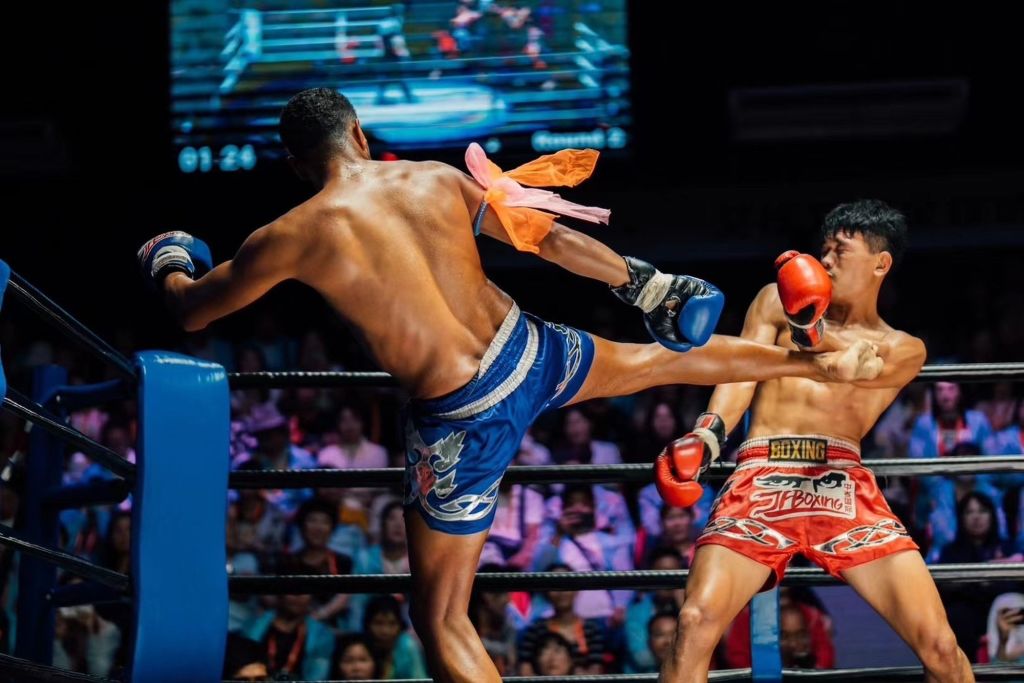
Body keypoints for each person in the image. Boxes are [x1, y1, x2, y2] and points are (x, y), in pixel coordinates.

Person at [139, 88, 882, 682]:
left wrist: (168, 256)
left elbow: (192, 310)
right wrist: (643, 283)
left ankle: (805, 359)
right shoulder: (435, 178)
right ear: (358, 133)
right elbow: (547, 238)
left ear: (296, 164)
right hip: (528, 348)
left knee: (442, 618)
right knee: (657, 361)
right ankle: (815, 361)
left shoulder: (291, 234)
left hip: (461, 413)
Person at [657, 200, 973, 682]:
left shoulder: (904, 347)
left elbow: (862, 367)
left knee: (942, 648)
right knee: (694, 624)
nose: (824, 260)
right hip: (762, 475)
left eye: (840, 251)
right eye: (823, 250)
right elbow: (740, 372)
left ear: (880, 263)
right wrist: (708, 436)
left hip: (841, 482)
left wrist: (808, 328)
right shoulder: (773, 301)